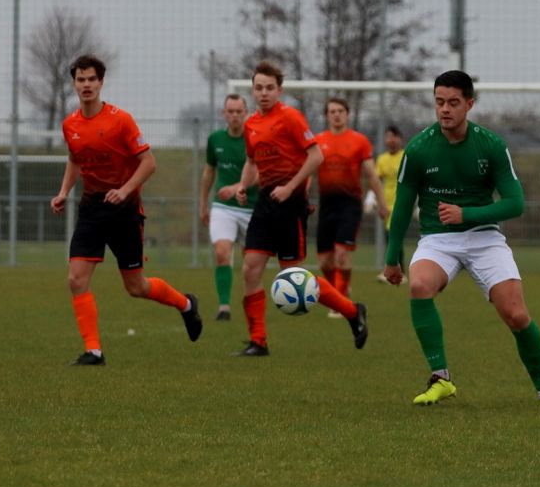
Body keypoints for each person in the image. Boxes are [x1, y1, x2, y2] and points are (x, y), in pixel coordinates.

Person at [382, 70, 540, 409]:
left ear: (470, 104)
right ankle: (441, 378)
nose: (445, 109)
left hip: (485, 238)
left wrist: (466, 214)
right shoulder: (420, 149)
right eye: (439, 102)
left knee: (517, 315)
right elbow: (402, 206)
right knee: (420, 285)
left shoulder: (491, 145)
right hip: (438, 240)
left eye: (453, 102)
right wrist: (392, 257)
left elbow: (515, 204)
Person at [50, 54, 202, 366]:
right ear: (74, 84)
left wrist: (125, 190)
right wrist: (64, 191)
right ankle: (93, 351)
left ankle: (186, 304)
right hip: (92, 209)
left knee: (136, 286)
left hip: (124, 210)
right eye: (81, 79)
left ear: (101, 82)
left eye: (92, 79)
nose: (86, 85)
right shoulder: (70, 124)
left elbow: (149, 162)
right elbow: (75, 160)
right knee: (76, 279)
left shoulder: (121, 120)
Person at [227, 61, 368, 356]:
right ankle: (258, 341)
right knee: (250, 268)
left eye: (269, 88)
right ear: (253, 91)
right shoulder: (251, 124)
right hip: (265, 203)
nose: (264, 93)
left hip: (291, 204)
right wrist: (243, 185)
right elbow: (252, 162)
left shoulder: (290, 117)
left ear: (279, 90)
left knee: (293, 275)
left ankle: (352, 311)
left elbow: (315, 156)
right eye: (258, 88)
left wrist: (290, 187)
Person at [313, 97, 388, 314]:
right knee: (325, 261)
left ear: (347, 114)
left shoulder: (359, 141)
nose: (336, 115)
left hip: (350, 205)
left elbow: (372, 175)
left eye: (340, 111)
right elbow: (308, 172)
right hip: (326, 204)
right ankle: (337, 291)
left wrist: (382, 203)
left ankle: (340, 299)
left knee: (341, 254)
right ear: (327, 115)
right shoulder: (318, 141)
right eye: (332, 111)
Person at [199, 93, 256, 321]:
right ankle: (224, 307)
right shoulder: (215, 139)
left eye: (239, 111)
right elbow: (208, 172)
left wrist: (237, 187)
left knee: (251, 262)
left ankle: (251, 303)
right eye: (230, 111)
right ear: (224, 114)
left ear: (246, 113)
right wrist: (203, 204)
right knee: (222, 252)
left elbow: (261, 172)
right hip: (223, 207)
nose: (234, 116)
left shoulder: (254, 138)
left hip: (252, 207)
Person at [374, 125, 405, 281]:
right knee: (393, 237)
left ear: (400, 139)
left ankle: (393, 270)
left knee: (393, 236)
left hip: (402, 202)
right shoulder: (382, 159)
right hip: (386, 204)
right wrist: (377, 203)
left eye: (393, 136)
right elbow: (376, 181)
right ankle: (399, 271)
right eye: (388, 137)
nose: (390, 140)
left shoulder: (405, 156)